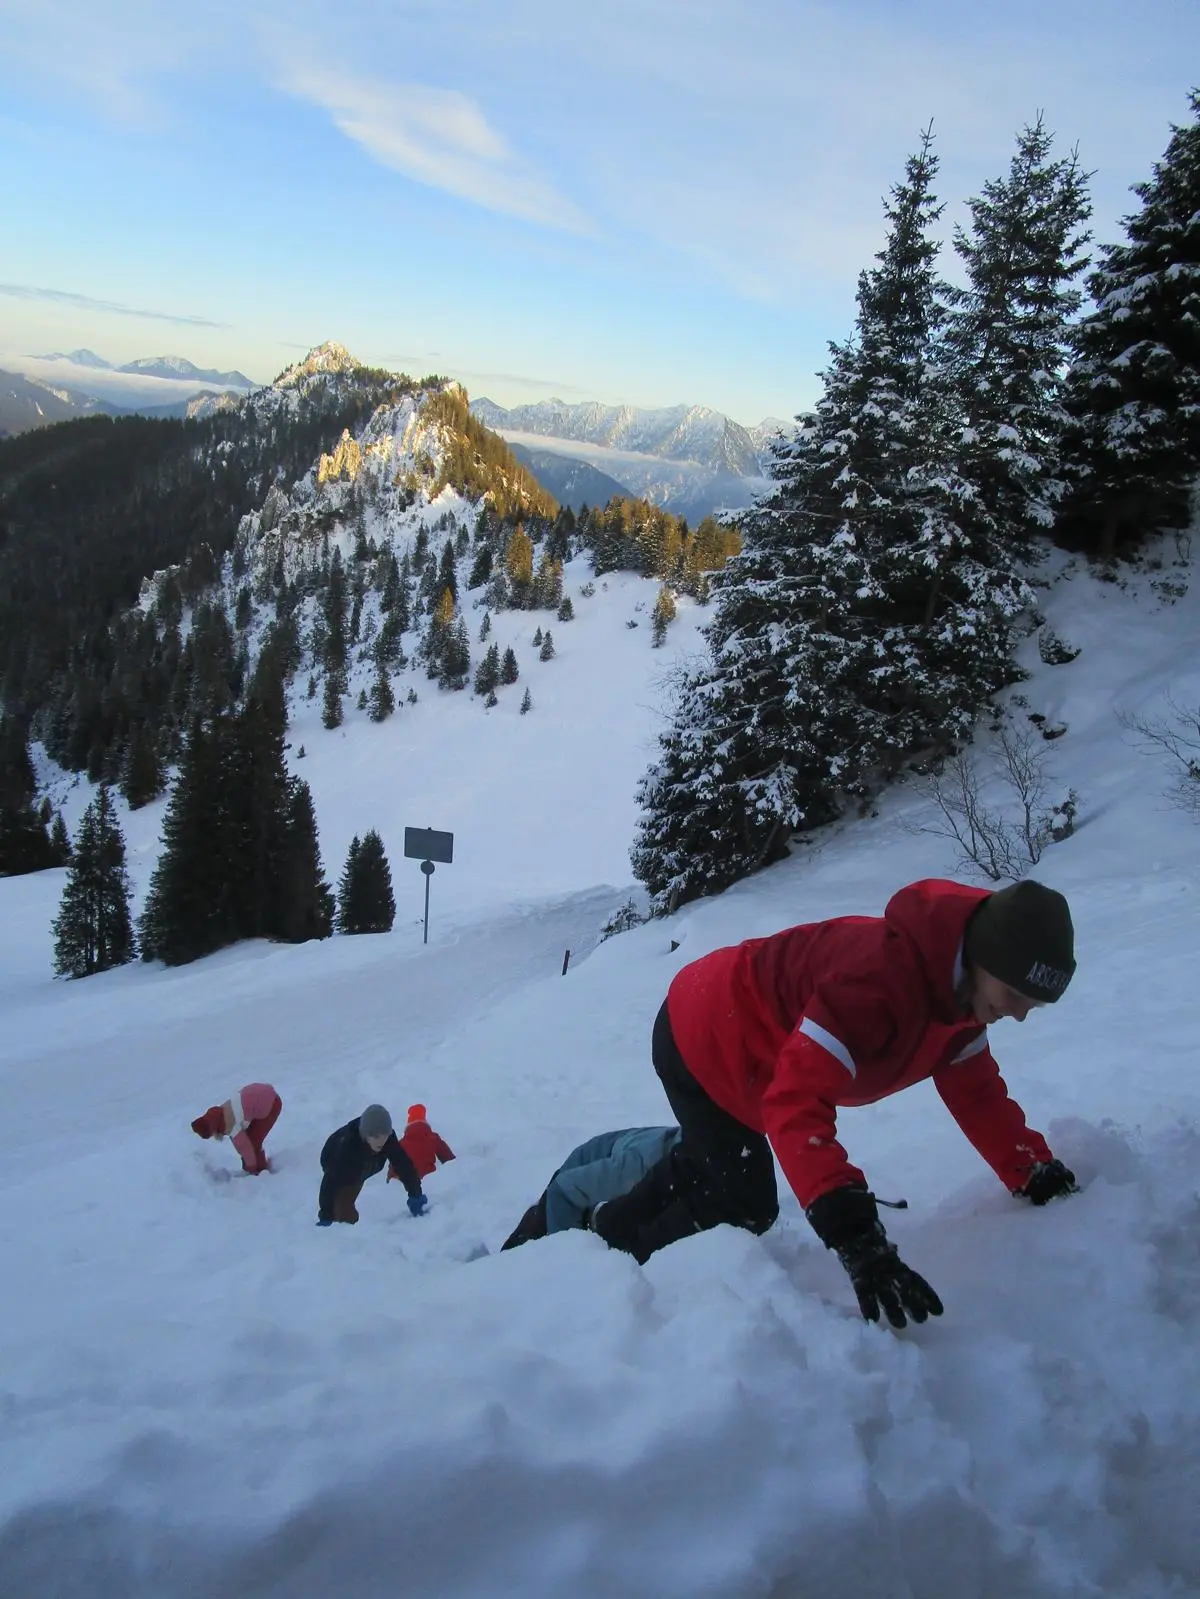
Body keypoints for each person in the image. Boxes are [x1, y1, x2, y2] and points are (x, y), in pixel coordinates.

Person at [590, 878, 1079, 1328]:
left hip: (754, 1049)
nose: (1016, 1015)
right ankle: (612, 1275)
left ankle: (606, 1229)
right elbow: (797, 1103)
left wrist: (1031, 1169)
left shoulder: (964, 999)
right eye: (1014, 995)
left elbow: (977, 1095)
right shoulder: (878, 982)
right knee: (744, 1200)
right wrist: (852, 1230)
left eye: (1031, 1005)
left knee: (712, 1165)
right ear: (985, 957)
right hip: (704, 1030)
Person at [500, 1125, 682, 1250]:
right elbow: (561, 1193)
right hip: (574, 1183)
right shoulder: (636, 1167)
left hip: (616, 1178)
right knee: (527, 1252)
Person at [317, 1104, 427, 1225]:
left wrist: (415, 1194)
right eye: (377, 1138)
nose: (382, 1142)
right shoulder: (347, 1151)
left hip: (363, 1169)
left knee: (348, 1204)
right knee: (343, 1214)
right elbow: (330, 1181)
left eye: (385, 1137)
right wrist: (326, 1215)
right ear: (366, 1135)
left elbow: (403, 1164)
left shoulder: (387, 1139)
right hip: (341, 1169)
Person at [191, 1083, 282, 1175]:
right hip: (263, 1093)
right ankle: (259, 1167)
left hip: (272, 1104)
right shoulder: (221, 1112)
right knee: (250, 1137)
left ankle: (260, 1172)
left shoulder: (230, 1124)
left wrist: (250, 1168)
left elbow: (245, 1148)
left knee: (253, 1142)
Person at [393, 1104, 456, 1180]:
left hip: (407, 1182)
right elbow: (449, 1159)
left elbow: (394, 1167)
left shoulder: (401, 1143)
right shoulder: (433, 1138)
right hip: (430, 1180)